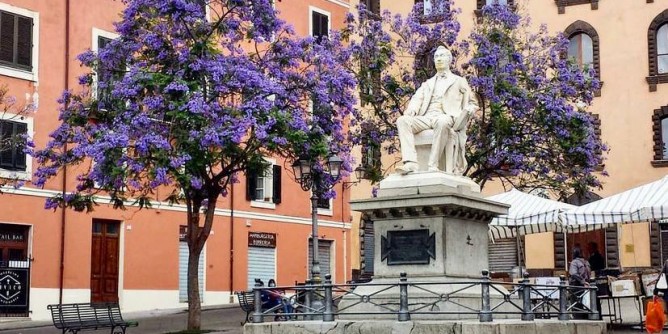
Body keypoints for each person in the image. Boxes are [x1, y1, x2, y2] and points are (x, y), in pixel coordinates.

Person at [395, 45, 479, 175]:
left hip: (446, 116)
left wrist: (468, 110)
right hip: (427, 117)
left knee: (442, 122)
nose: (439, 59)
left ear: (449, 60)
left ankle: (433, 165)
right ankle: (411, 163)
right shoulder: (428, 83)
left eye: (442, 56)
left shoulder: (459, 81)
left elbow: (473, 103)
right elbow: (417, 98)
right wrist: (412, 110)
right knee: (403, 121)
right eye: (436, 57)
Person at [569, 247, 592, 319]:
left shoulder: (574, 262)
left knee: (576, 304)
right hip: (586, 285)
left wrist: (582, 281)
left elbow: (573, 274)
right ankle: (586, 317)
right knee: (585, 303)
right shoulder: (586, 262)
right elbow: (589, 273)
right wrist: (586, 282)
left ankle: (578, 318)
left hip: (576, 286)